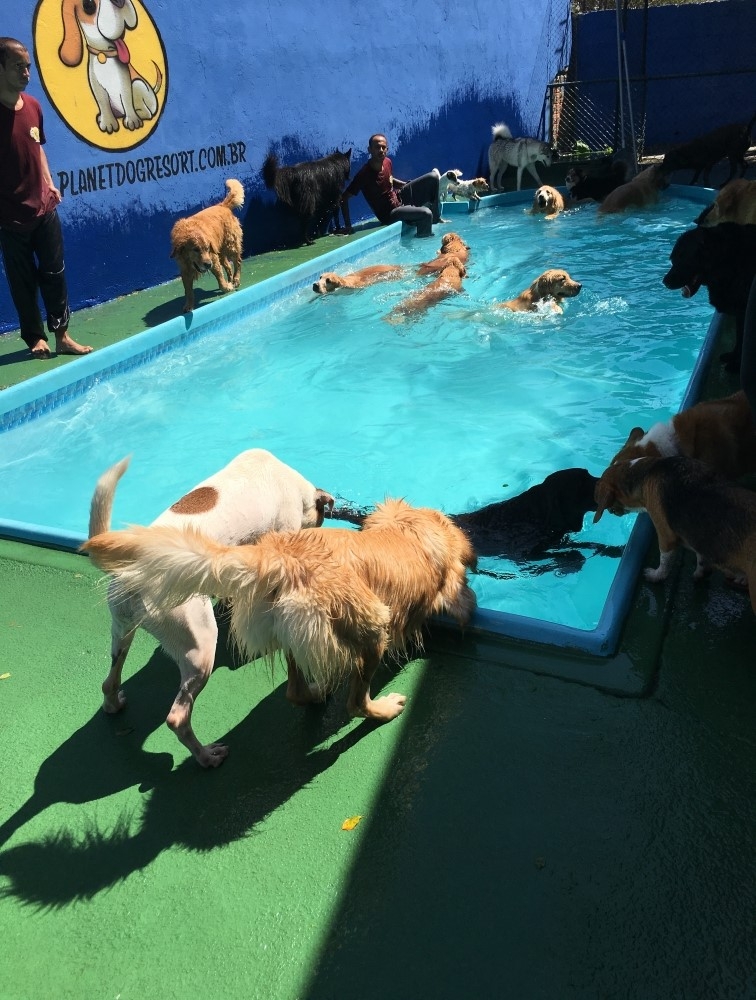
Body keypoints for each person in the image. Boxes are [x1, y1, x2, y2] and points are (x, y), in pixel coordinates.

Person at [0, 37, 92, 359]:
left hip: (44, 208)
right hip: (10, 218)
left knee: (55, 272)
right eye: (18, 66)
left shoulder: (35, 107)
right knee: (22, 281)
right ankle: (35, 339)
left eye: (28, 66)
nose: (26, 72)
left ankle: (63, 335)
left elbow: (37, 148)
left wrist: (50, 183)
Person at [339, 133, 444, 238]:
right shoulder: (364, 174)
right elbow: (344, 198)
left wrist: (406, 185)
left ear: (387, 149)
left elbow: (389, 180)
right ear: (369, 150)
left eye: (383, 147)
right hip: (390, 214)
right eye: (377, 147)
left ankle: (435, 219)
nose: (381, 150)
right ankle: (424, 239)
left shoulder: (387, 162)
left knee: (433, 177)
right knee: (426, 213)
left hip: (398, 198)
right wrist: (348, 225)